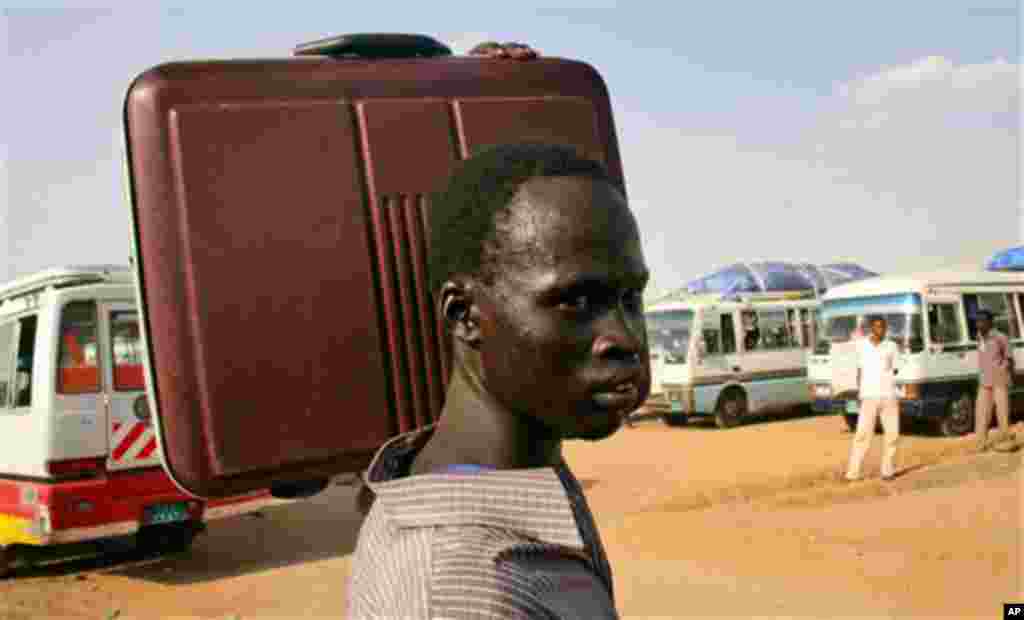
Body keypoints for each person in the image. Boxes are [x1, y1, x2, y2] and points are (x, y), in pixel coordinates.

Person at [345, 141, 650, 619]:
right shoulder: (456, 595)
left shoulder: (515, 473)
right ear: (464, 314)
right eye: (577, 301)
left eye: (631, 299)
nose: (625, 339)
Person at [845, 315, 901, 481]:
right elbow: (859, 370)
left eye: (883, 327)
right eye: (877, 327)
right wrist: (859, 391)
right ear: (871, 329)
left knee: (892, 434)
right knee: (862, 434)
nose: (880, 330)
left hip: (888, 395)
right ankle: (853, 473)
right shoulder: (862, 346)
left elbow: (896, 369)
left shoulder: (892, 346)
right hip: (868, 395)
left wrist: (890, 381)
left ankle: (887, 471)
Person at [974, 309, 1015, 451]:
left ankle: (1006, 442)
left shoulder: (1000, 337)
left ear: (990, 322)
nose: (978, 324)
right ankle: (981, 442)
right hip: (984, 381)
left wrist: (1007, 374)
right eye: (977, 321)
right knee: (981, 412)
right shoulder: (979, 337)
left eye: (982, 321)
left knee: (1002, 413)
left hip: (999, 380)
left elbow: (1009, 359)